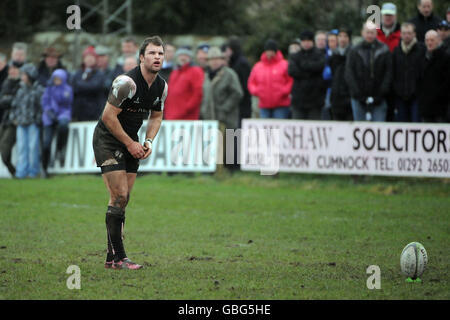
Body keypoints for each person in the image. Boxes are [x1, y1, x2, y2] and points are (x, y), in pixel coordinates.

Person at [92, 36, 168, 270]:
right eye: (152, 53)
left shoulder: (161, 86)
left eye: (161, 53)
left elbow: (156, 116)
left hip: (131, 142)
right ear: (141, 57)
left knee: (122, 201)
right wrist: (129, 143)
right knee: (120, 196)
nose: (157, 57)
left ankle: (110, 257)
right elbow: (108, 116)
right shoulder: (126, 82)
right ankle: (120, 258)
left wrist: (147, 141)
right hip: (108, 139)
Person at [200, 47, 243, 171]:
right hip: (210, 117)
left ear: (222, 60)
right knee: (212, 146)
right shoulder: (206, 75)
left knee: (230, 145)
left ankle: (232, 172)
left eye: (217, 59)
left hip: (227, 117)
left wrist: (225, 108)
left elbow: (237, 93)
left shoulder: (229, 74)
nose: (214, 62)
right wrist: (204, 110)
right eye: (212, 59)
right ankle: (213, 171)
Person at [345, 21, 392, 122]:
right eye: (367, 32)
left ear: (376, 33)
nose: (370, 35)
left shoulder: (384, 49)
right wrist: (357, 93)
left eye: (372, 32)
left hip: (379, 98)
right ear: (362, 33)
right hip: (358, 98)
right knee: (359, 129)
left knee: (378, 129)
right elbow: (349, 73)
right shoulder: (354, 50)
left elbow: (388, 73)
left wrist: (381, 93)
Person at [10, 64, 44, 179]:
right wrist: (14, 118)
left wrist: (37, 119)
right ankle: (21, 172)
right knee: (22, 148)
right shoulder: (20, 90)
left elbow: (42, 107)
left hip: (33, 123)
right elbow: (14, 106)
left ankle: (33, 172)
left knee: (33, 147)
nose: (22, 77)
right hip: (21, 123)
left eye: (24, 74)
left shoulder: (39, 90)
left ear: (30, 75)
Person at [248, 39, 293, 119]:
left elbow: (290, 80)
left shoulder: (284, 65)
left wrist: (284, 91)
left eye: (271, 51)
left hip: (281, 104)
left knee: (279, 129)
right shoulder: (258, 66)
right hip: (264, 104)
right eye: (268, 50)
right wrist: (256, 91)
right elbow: (251, 82)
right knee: (265, 130)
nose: (269, 53)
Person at [41, 69, 73, 177]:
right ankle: (44, 168)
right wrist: (50, 113)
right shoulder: (48, 89)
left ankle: (60, 149)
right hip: (49, 116)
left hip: (63, 114)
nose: (57, 81)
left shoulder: (67, 89)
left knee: (63, 126)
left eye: (59, 78)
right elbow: (45, 103)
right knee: (46, 143)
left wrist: (58, 113)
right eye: (55, 78)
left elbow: (66, 103)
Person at [392, 23, 426, 122]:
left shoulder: (422, 50)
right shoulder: (396, 51)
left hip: (417, 96)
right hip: (400, 96)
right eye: (404, 33)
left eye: (409, 33)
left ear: (414, 34)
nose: (406, 35)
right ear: (401, 35)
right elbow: (393, 72)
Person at [288, 31, 326, 120]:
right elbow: (292, 71)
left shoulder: (319, 55)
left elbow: (319, 67)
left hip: (315, 99)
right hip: (298, 100)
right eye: (304, 41)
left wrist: (303, 66)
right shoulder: (295, 56)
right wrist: (310, 70)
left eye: (308, 41)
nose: (306, 43)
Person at [164, 47, 204, 120]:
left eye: (186, 55)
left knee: (230, 131)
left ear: (190, 58)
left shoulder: (196, 71)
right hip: (171, 117)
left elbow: (198, 93)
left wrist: (186, 109)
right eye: (180, 55)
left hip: (187, 117)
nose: (183, 57)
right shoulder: (174, 72)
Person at [418, 30, 450, 122]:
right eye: (427, 40)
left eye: (432, 40)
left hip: (440, 107)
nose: (429, 43)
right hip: (425, 106)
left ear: (438, 40)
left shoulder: (445, 58)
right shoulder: (422, 58)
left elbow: (447, 82)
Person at [0, 61, 22, 177]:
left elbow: (17, 101)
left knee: (5, 149)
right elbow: (2, 102)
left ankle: (13, 171)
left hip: (14, 121)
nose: (12, 71)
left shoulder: (22, 84)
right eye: (11, 69)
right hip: (5, 119)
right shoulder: (7, 83)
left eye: (15, 69)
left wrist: (8, 99)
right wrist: (9, 99)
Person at [71, 46, 105, 121]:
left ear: (95, 60)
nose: (89, 59)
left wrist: (80, 85)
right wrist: (86, 86)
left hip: (95, 110)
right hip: (79, 110)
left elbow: (95, 87)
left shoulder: (99, 74)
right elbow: (74, 88)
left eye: (91, 57)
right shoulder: (78, 73)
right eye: (87, 57)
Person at [224, 36, 252, 126]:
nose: (226, 52)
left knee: (237, 132)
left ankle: (235, 141)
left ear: (232, 50)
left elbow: (244, 87)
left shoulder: (241, 64)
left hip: (242, 106)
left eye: (228, 49)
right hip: (235, 106)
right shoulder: (233, 63)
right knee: (232, 133)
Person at [329, 28, 353, 121]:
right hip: (336, 97)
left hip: (350, 96)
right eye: (340, 36)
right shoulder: (333, 55)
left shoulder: (354, 54)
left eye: (345, 36)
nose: (342, 39)